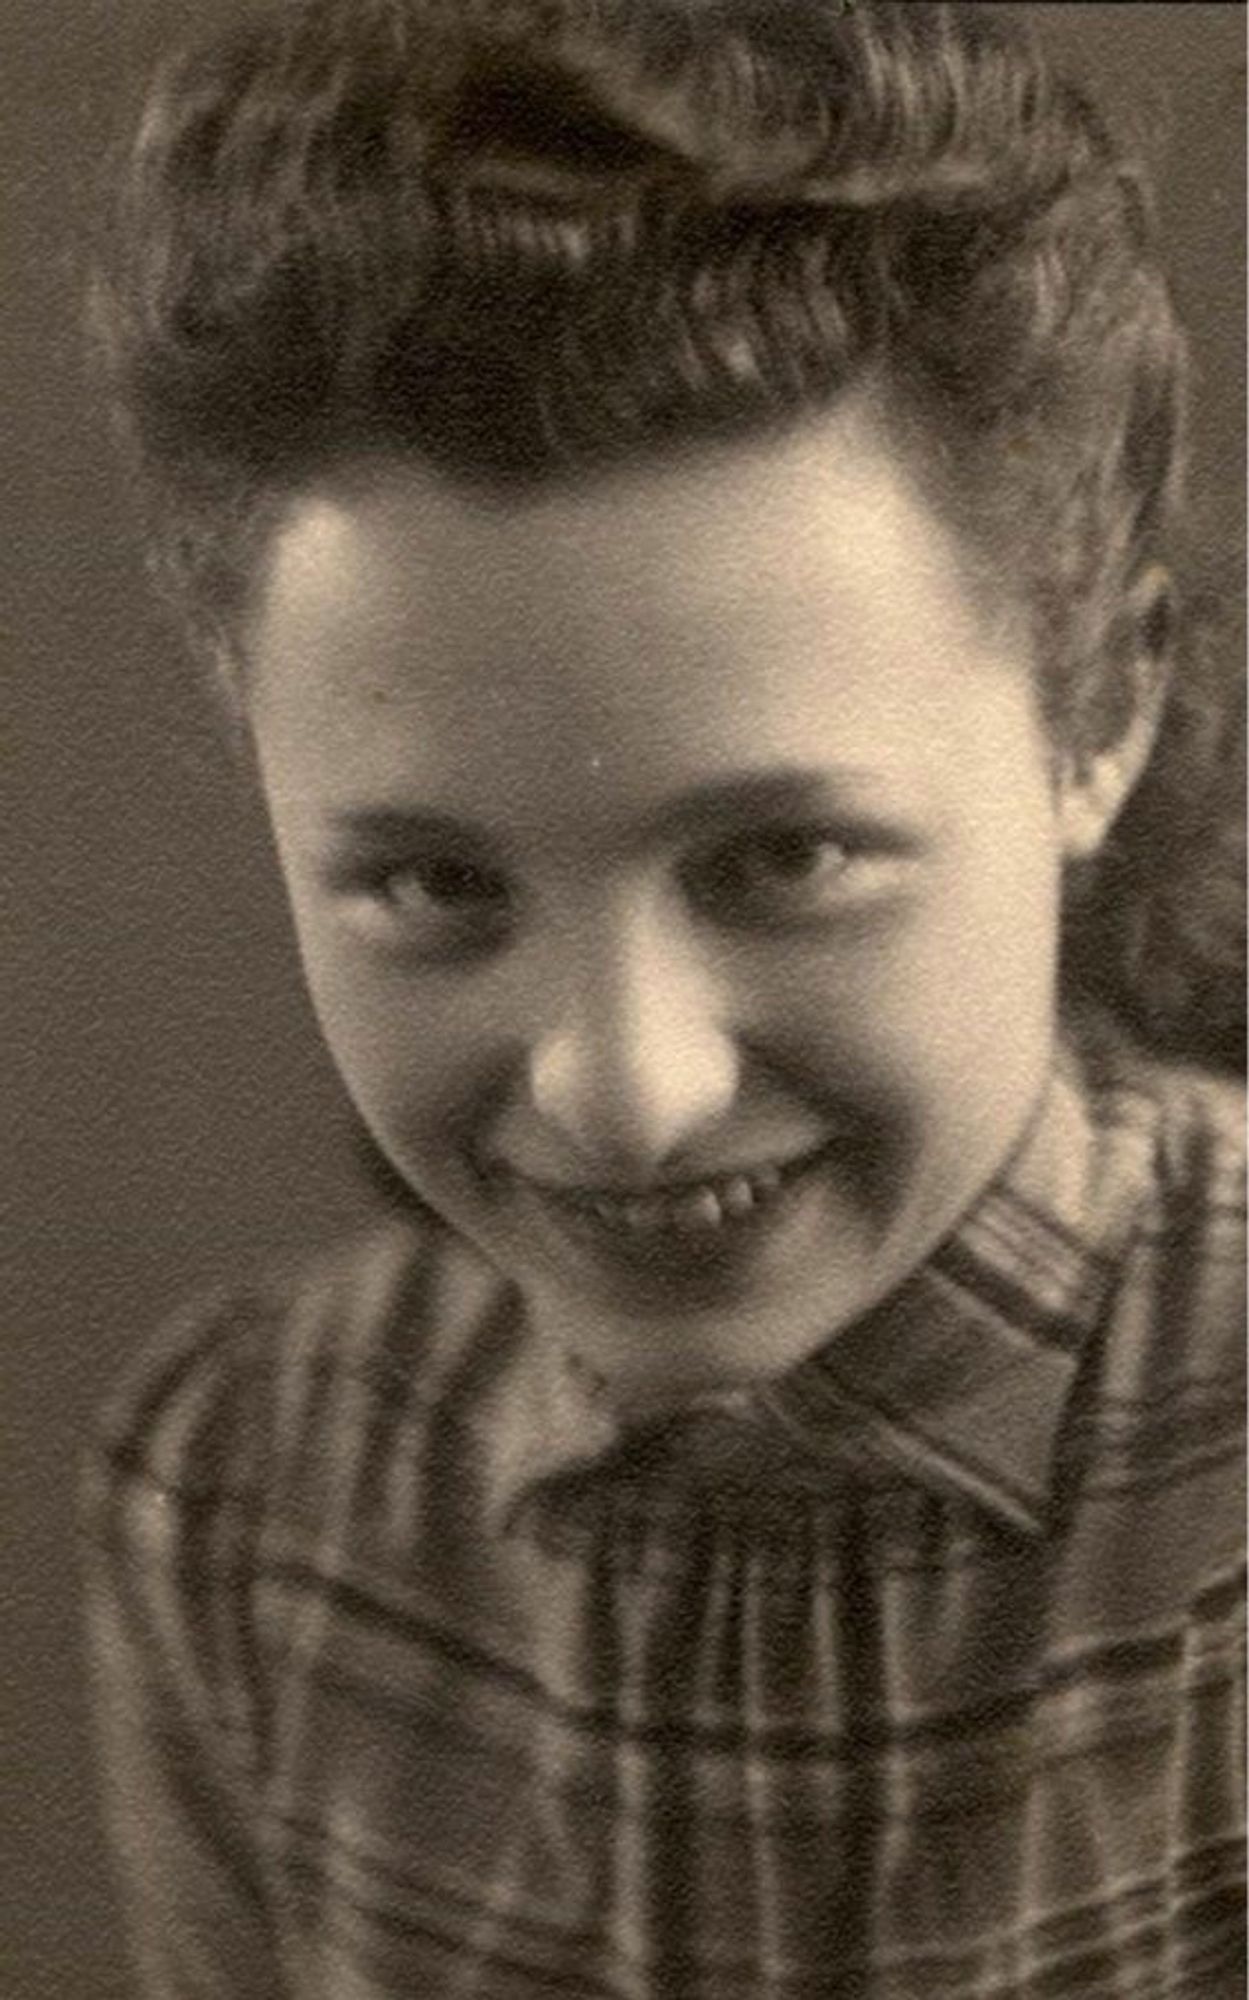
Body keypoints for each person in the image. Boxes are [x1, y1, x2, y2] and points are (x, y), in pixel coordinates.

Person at [82, 2, 1245, 1994]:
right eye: (433, 883)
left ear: (1100, 711)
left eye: (780, 860)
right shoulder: (235, 1494)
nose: (625, 1089)